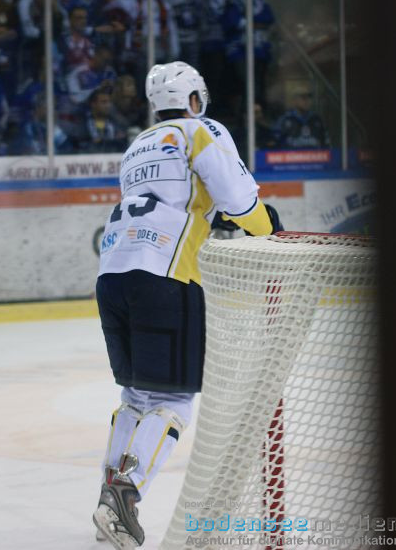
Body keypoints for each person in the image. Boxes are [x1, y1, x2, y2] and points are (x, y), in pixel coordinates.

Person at [92, 61, 282, 549]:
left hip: (112, 273)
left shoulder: (136, 147)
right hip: (165, 276)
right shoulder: (200, 130)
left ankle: (107, 499)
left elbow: (178, 202)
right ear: (195, 99)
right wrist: (269, 229)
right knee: (173, 399)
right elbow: (238, 200)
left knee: (135, 397)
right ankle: (124, 497)